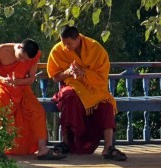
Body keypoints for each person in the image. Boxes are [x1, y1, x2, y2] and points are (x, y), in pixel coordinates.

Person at [46, 26, 126, 161]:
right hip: (73, 86)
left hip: (93, 89)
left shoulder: (95, 48)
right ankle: (66, 142)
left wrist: (84, 73)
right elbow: (55, 77)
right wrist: (68, 72)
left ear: (78, 39)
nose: (66, 47)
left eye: (69, 44)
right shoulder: (58, 51)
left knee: (106, 105)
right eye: (63, 43)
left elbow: (102, 76)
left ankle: (108, 147)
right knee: (68, 97)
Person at [0, 39, 66, 160]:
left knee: (38, 111)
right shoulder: (0, 50)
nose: (22, 61)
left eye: (25, 60)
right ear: (19, 47)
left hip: (22, 88)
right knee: (1, 111)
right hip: (3, 87)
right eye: (21, 57)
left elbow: (30, 79)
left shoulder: (33, 57)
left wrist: (17, 82)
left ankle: (42, 149)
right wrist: (3, 79)